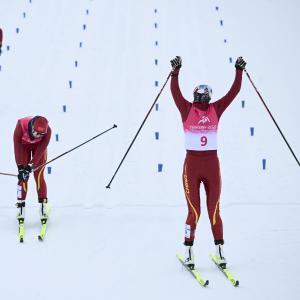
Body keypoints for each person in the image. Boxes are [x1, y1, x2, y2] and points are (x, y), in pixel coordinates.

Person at [170, 56, 246, 269]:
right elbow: (175, 93)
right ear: (195, 96)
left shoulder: (216, 109)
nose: (202, 98)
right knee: (194, 211)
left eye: (205, 95)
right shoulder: (186, 109)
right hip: (192, 166)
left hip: (211, 164)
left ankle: (220, 251)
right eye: (200, 95)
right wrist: (175, 72)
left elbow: (233, 93)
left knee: (214, 209)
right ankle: (188, 250)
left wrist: (238, 71)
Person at [13, 116, 52, 223]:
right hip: (23, 147)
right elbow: (17, 146)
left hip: (38, 149)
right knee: (23, 178)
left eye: (41, 134)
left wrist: (31, 165)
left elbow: (41, 149)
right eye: (36, 133)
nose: (37, 136)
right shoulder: (21, 125)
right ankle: (20, 207)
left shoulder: (48, 132)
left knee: (38, 176)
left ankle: (43, 207)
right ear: (31, 127)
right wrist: (20, 167)